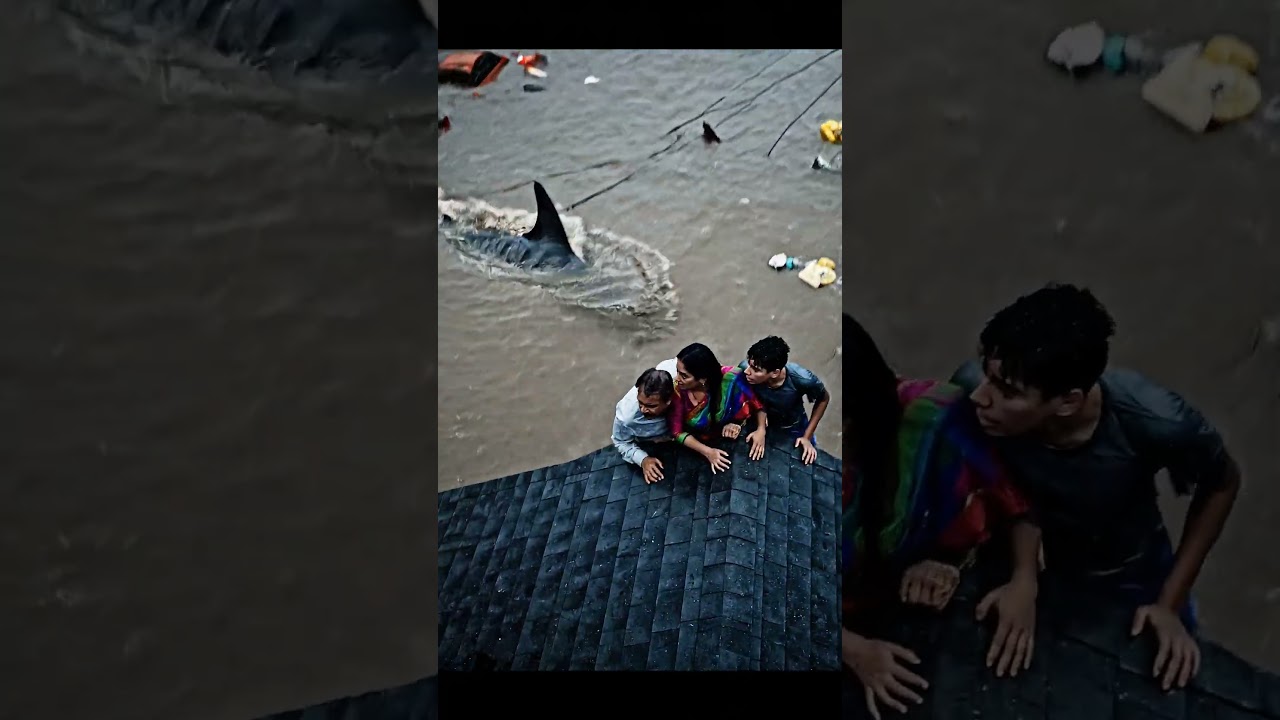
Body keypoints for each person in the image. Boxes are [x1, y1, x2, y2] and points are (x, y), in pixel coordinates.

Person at [950, 283, 1242, 691]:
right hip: (1025, 559)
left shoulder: (1156, 420)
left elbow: (1223, 483)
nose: (982, 397)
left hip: (1127, 570)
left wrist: (1168, 605)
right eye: (987, 373)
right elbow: (1001, 481)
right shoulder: (970, 392)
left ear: (1067, 403)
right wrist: (1023, 575)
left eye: (1007, 391)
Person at [841, 313, 1041, 719]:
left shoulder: (934, 419)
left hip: (901, 598)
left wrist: (1022, 580)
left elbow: (1013, 500)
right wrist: (855, 651)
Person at [670, 343, 768, 473]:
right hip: (697, 441)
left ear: (702, 379)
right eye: (678, 372)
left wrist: (760, 429)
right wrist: (708, 452)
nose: (677, 379)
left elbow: (756, 403)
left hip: (727, 436)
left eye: (684, 376)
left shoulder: (732, 378)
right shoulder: (676, 390)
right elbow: (676, 432)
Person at [738, 335, 831, 465]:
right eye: (749, 364)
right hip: (762, 422)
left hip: (793, 426)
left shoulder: (802, 379)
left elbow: (823, 399)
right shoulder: (745, 370)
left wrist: (806, 437)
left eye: (756, 370)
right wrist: (760, 428)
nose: (748, 371)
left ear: (775, 373)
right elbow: (755, 398)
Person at [611, 360, 678, 484]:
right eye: (640, 403)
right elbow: (620, 441)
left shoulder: (680, 375)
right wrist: (643, 459)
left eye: (650, 406)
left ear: (668, 400)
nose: (643, 409)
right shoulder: (626, 417)